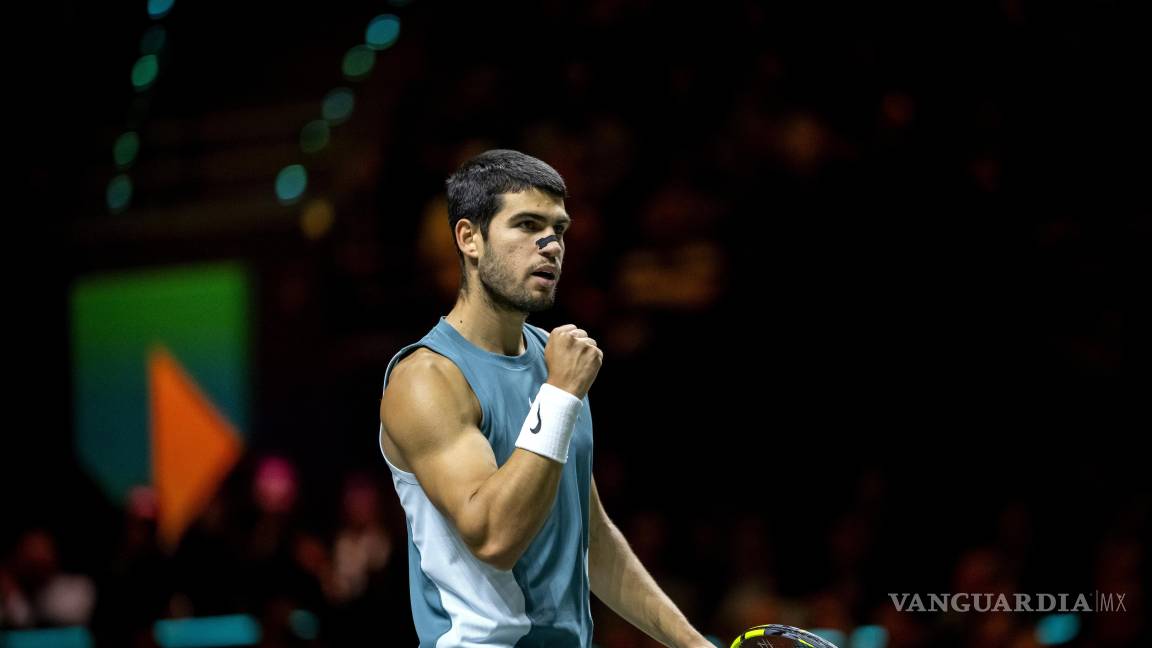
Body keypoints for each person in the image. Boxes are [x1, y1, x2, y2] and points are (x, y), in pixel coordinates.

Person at [378, 149, 712, 647]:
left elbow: (592, 541)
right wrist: (559, 394)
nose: (550, 244)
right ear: (469, 238)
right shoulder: (426, 378)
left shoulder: (553, 358)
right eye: (528, 225)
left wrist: (694, 644)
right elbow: (492, 536)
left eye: (559, 229)